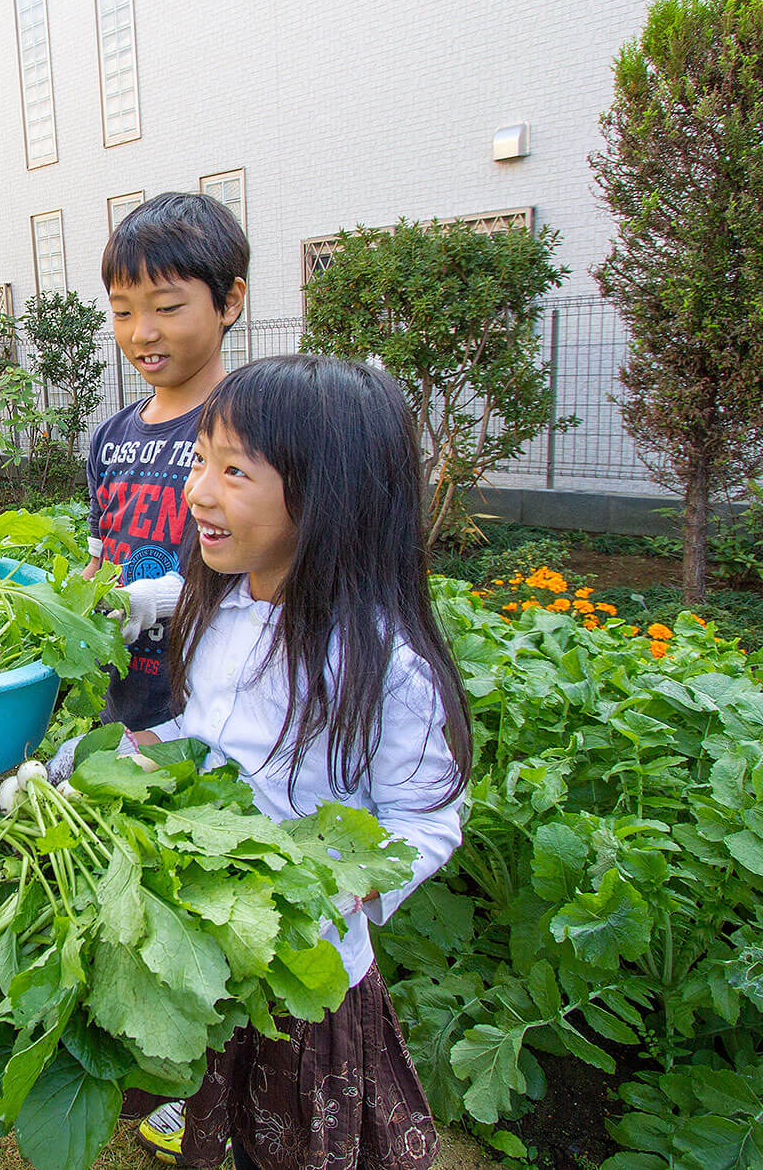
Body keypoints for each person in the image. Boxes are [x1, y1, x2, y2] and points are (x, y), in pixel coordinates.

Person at [125, 355, 473, 1169]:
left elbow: (426, 818)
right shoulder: (226, 601)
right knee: (224, 1106)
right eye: (200, 461)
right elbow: (210, 734)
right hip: (212, 933)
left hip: (303, 970)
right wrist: (150, 754)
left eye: (234, 469)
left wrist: (343, 888)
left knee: (291, 1139)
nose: (199, 491)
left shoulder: (383, 662)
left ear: (326, 496)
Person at [82, 191, 249, 722]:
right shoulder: (110, 436)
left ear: (229, 302)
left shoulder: (253, 429)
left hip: (218, 711)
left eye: (168, 307)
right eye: (122, 312)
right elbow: (99, 560)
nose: (141, 332)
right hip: (125, 701)